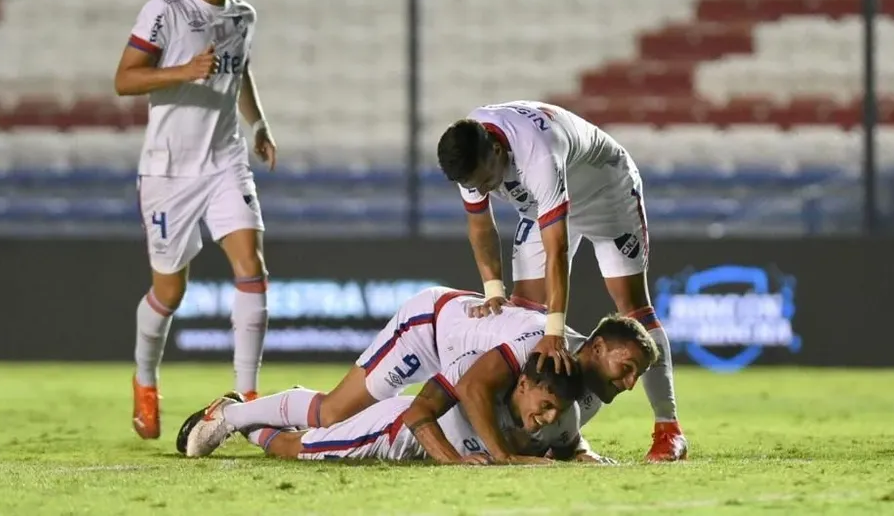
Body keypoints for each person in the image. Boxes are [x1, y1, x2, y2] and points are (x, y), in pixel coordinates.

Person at [435, 100, 686, 461]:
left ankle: (669, 430)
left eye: (490, 181)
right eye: (479, 185)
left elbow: (558, 250)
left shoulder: (537, 153)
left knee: (634, 311)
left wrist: (555, 330)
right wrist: (493, 289)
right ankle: (533, 428)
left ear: (497, 148)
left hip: (605, 192)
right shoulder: (468, 152)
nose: (487, 190)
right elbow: (480, 224)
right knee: (523, 314)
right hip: (543, 205)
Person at [114, 0, 277, 440]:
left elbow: (239, 67)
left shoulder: (242, 16)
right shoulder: (166, 11)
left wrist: (258, 123)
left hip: (224, 159)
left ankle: (249, 400)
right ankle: (144, 379)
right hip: (169, 170)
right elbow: (124, 79)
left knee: (251, 266)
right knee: (169, 290)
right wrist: (181, 71)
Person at [310, 286, 656, 450]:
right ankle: (255, 408)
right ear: (597, 347)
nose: (629, 384)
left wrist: (578, 453)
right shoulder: (540, 344)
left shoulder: (584, 394)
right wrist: (502, 458)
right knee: (332, 414)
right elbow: (474, 387)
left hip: (458, 367)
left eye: (636, 376)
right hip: (431, 331)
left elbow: (545, 436)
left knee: (351, 422)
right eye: (627, 368)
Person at [178, 352, 591, 465]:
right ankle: (237, 417)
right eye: (546, 404)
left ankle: (263, 409)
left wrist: (585, 456)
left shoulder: (562, 419)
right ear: (522, 384)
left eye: (559, 409)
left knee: (324, 411)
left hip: (416, 422)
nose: (551, 417)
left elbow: (570, 443)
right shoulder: (478, 377)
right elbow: (418, 415)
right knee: (297, 448)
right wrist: (453, 460)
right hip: (397, 432)